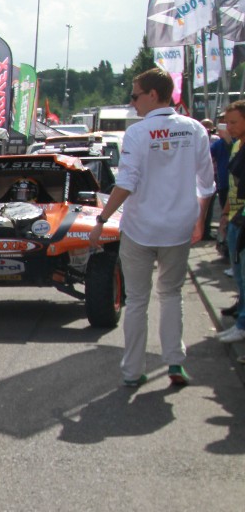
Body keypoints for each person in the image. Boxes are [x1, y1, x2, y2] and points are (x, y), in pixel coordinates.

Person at [88, 68, 215, 387]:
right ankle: (175, 363)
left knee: (137, 301)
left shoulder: (138, 133)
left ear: (153, 95)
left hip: (140, 228)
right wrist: (199, 220)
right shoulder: (195, 129)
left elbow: (126, 182)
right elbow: (207, 183)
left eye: (135, 96)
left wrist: (102, 220)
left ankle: (132, 371)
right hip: (178, 227)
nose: (132, 103)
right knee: (171, 294)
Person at [214, 101, 245, 341]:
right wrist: (225, 214)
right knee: (239, 275)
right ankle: (240, 320)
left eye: (234, 122)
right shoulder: (236, 145)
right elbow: (233, 187)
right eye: (227, 122)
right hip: (234, 217)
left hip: (242, 219)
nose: (229, 127)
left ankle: (242, 325)